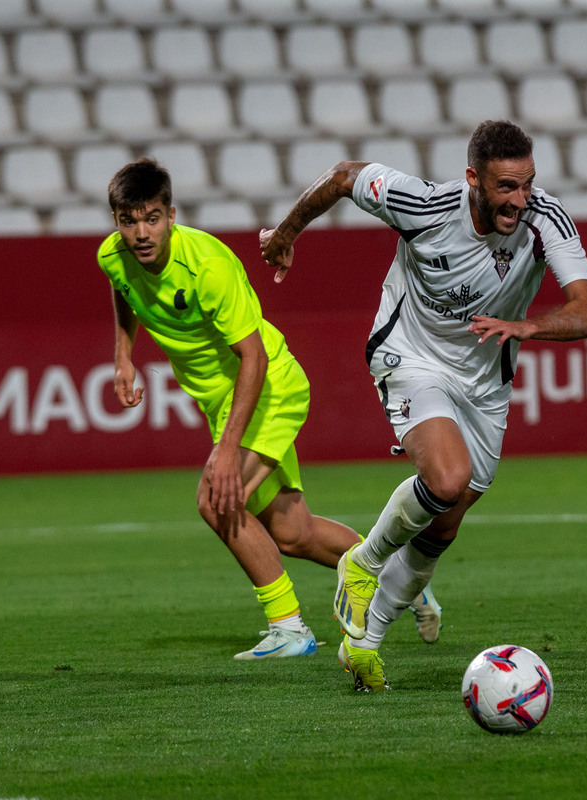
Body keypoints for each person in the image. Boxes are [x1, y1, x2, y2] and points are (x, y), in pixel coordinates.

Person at [260, 120, 587, 691]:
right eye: (505, 187)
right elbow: (345, 176)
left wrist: (530, 325)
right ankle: (364, 561)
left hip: (485, 384)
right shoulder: (423, 205)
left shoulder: (545, 218)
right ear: (472, 178)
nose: (519, 200)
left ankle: (363, 645)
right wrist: (287, 234)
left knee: (443, 527)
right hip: (411, 355)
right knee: (446, 478)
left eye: (527, 184)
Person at [97, 158, 441, 660]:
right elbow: (123, 288)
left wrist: (226, 448)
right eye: (129, 221)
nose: (140, 232)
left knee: (217, 500)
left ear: (172, 214)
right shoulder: (113, 256)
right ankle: (397, 580)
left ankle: (289, 628)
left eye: (152, 217)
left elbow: (253, 357)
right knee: (292, 533)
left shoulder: (207, 267)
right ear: (116, 222)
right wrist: (124, 355)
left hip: (269, 388)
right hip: (226, 403)